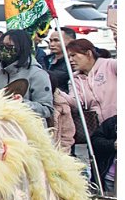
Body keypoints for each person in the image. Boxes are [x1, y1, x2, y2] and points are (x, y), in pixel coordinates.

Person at [66, 38, 117, 189]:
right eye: (69, 57)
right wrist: (58, 95)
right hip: (98, 132)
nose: (71, 60)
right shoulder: (75, 79)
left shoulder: (109, 65)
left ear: (88, 53)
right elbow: (76, 102)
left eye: (74, 55)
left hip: (116, 126)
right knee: (103, 172)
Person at [0, 29, 53, 123]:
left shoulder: (37, 74)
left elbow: (47, 109)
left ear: (22, 48)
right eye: (2, 46)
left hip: (26, 131)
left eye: (9, 46)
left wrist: (22, 104)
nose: (4, 49)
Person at [45, 26, 76, 92]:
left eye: (56, 40)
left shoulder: (73, 62)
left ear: (71, 41)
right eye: (50, 40)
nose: (52, 44)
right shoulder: (45, 59)